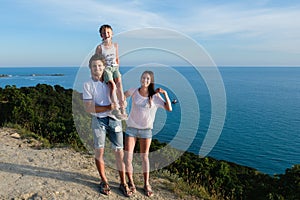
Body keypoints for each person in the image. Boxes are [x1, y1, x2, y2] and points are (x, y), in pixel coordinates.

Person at [82, 54, 132, 197]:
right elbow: (89, 108)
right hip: (99, 120)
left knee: (119, 153)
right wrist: (109, 106)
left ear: (104, 67)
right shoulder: (87, 85)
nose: (97, 68)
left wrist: (123, 102)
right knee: (100, 151)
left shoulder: (111, 82)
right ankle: (104, 181)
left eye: (99, 65)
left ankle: (123, 182)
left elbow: (121, 98)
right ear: (90, 68)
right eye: (94, 66)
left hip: (115, 119)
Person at [124, 71, 172, 197]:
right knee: (128, 157)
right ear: (140, 79)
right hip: (131, 128)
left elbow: (169, 108)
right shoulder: (134, 91)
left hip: (146, 130)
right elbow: (122, 96)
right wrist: (121, 108)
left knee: (144, 157)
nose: (145, 80)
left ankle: (146, 184)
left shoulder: (155, 97)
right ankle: (131, 182)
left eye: (147, 78)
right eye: (143, 77)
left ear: (150, 81)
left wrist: (165, 93)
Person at [95, 24, 127, 120]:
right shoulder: (100, 48)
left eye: (108, 32)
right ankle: (115, 108)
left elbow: (117, 58)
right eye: (104, 33)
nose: (106, 34)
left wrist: (117, 68)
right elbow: (96, 61)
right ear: (101, 35)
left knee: (119, 84)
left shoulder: (115, 45)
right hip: (106, 69)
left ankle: (122, 107)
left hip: (115, 68)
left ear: (112, 33)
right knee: (112, 86)